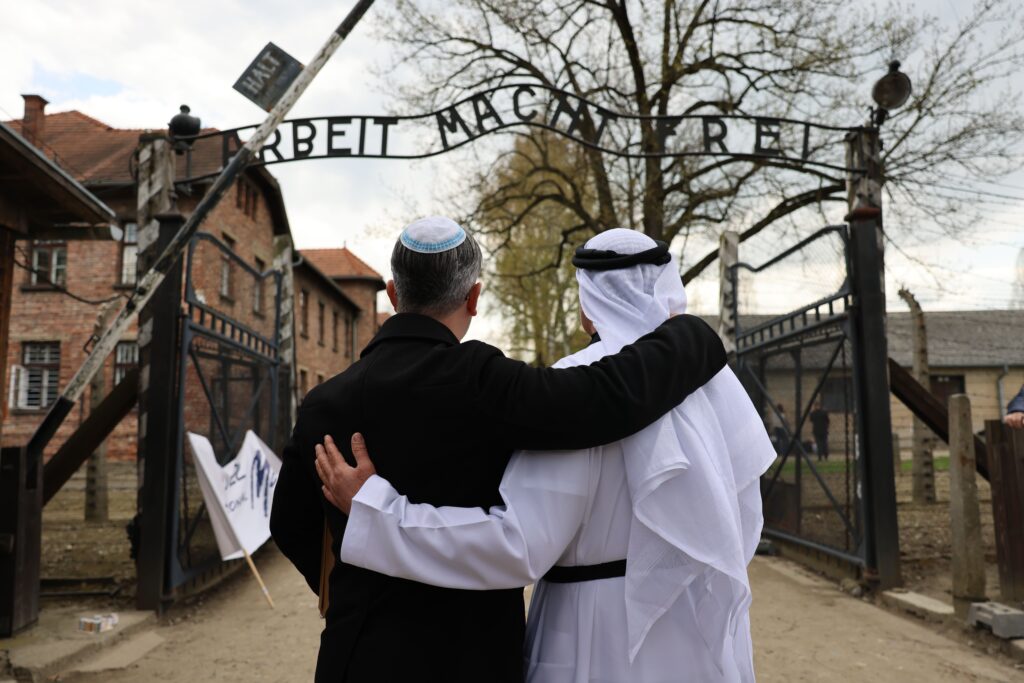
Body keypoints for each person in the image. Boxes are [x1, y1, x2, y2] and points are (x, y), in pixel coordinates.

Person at [269, 218, 727, 682]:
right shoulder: (485, 382)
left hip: (359, 651)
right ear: (473, 296)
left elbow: (288, 523)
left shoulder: (324, 403)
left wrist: (355, 583)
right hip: (472, 651)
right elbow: (600, 400)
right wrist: (693, 336)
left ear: (392, 292)